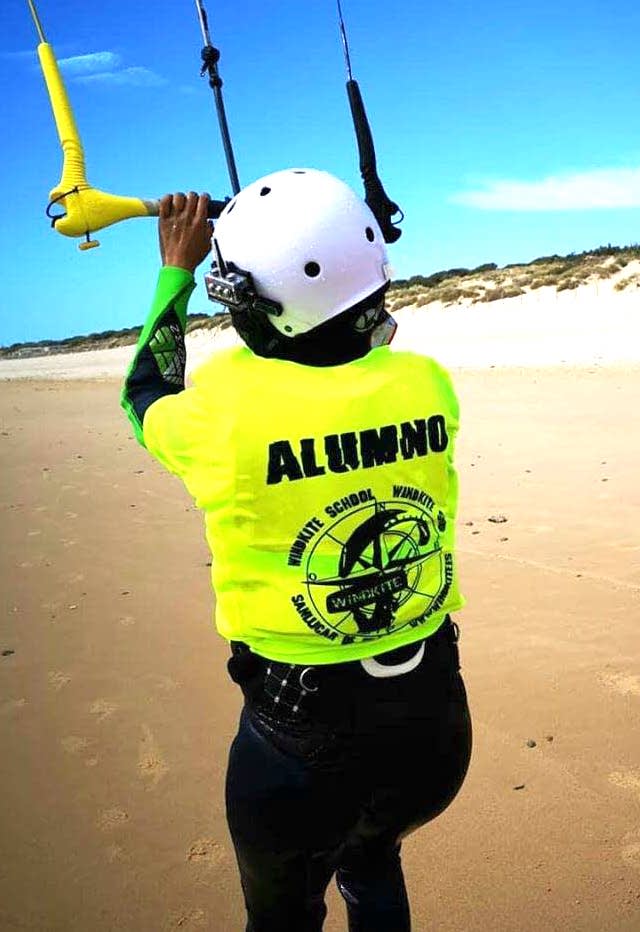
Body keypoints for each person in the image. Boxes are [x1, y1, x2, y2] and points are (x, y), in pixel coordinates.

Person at [121, 169, 472, 932]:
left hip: (299, 747)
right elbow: (362, 339)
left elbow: (146, 390)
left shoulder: (221, 408)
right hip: (434, 727)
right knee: (374, 862)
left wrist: (175, 274)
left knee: (282, 915)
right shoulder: (427, 383)